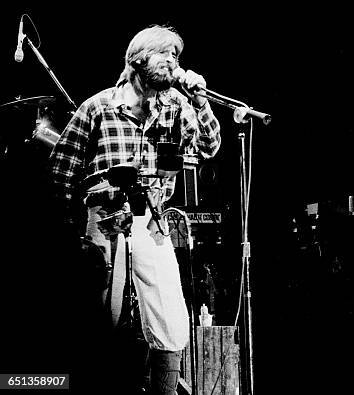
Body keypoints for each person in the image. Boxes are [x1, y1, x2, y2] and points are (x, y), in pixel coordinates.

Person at [49, 25, 221, 394]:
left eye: (177, 56)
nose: (174, 63)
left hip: (151, 221)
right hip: (104, 221)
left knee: (171, 316)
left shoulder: (175, 105)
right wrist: (71, 228)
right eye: (165, 54)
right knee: (103, 319)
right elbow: (60, 170)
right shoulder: (97, 107)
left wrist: (201, 100)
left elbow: (208, 146)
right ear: (138, 59)